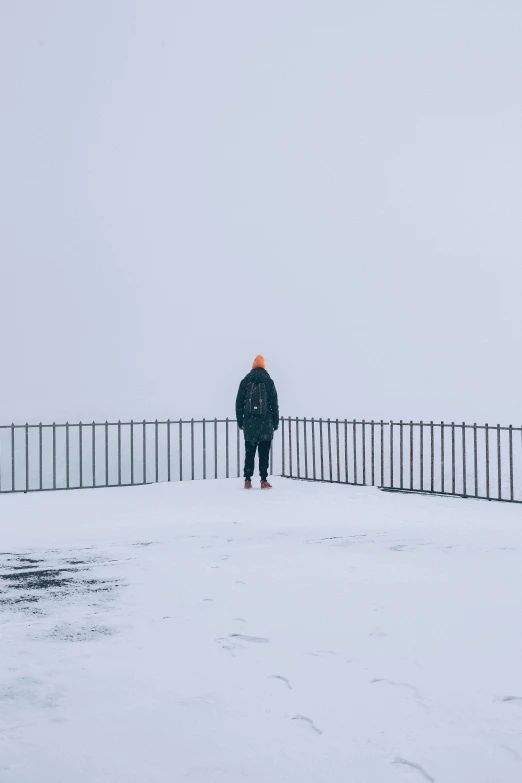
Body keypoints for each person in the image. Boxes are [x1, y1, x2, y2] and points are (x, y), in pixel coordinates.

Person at [236, 355, 279, 489]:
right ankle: (263, 480)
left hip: (249, 423)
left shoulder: (245, 380)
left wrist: (240, 421)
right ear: (264, 366)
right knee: (264, 452)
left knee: (249, 452)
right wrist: (275, 423)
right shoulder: (268, 381)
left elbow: (239, 403)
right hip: (265, 423)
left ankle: (247, 480)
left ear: (253, 366)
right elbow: (274, 403)